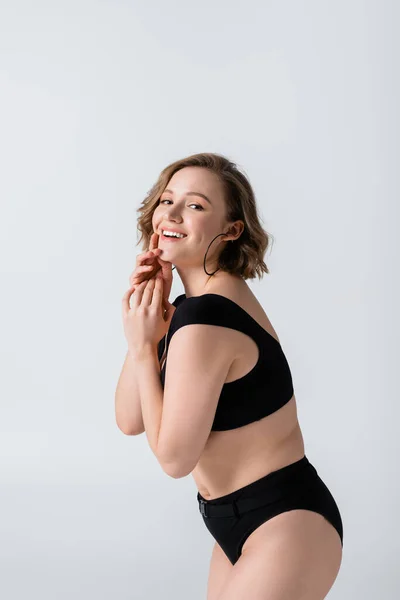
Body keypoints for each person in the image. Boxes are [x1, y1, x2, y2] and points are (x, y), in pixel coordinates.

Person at [116, 152, 344, 599]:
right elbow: (130, 419)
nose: (172, 214)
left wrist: (145, 347)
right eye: (166, 200)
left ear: (231, 230)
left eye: (196, 206)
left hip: (285, 522)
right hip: (234, 521)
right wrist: (151, 316)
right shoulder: (190, 308)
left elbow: (175, 460)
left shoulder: (207, 319)